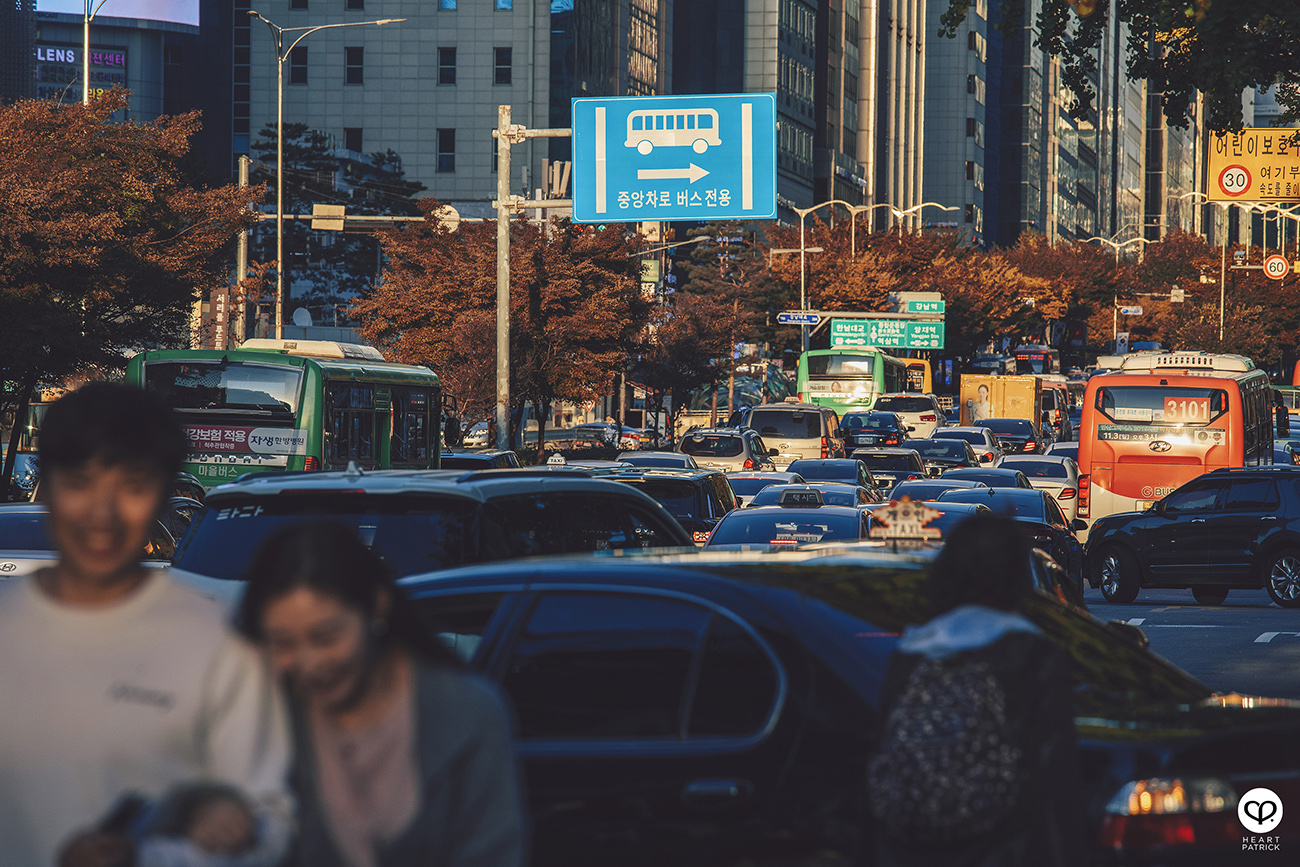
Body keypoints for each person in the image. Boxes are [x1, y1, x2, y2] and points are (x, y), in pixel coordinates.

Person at [0, 382, 293, 867]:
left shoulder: (217, 642)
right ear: (45, 488)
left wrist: (158, 853)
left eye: (133, 486)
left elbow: (271, 820)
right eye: (80, 483)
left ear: (163, 498)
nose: (103, 513)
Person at [237, 522, 527, 867]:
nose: (309, 664)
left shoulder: (469, 714)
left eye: (326, 637)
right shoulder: (264, 716)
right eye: (282, 643)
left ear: (377, 606)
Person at [868, 513, 1085, 867]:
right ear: (1016, 578)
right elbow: (1054, 781)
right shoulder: (1031, 654)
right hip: (1000, 847)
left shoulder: (911, 653)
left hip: (909, 849)